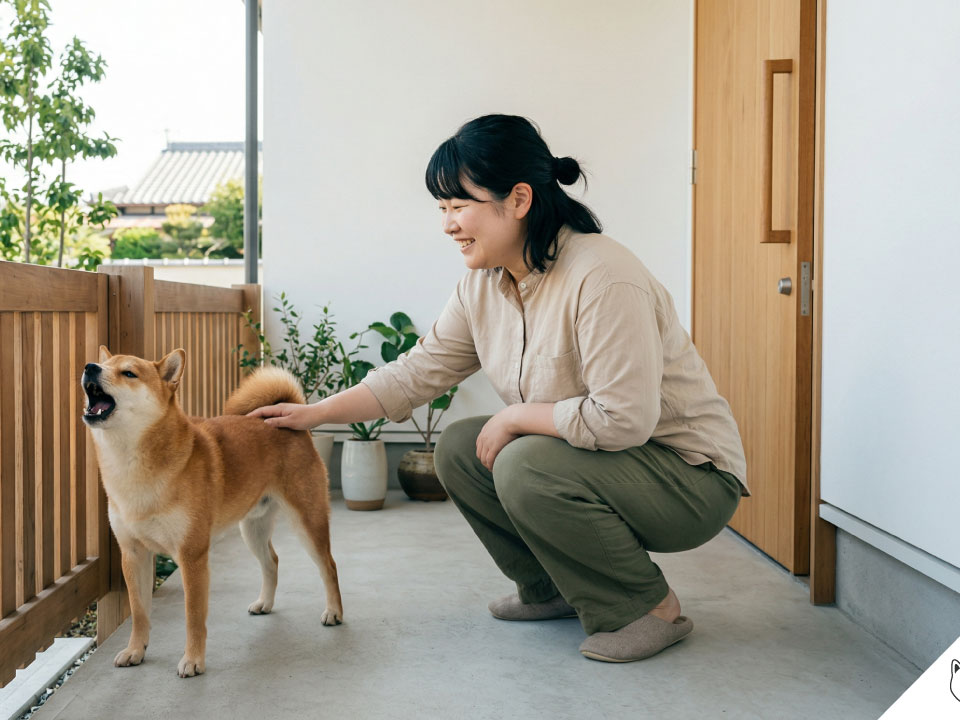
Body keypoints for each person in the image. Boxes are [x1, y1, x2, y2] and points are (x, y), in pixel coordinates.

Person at [248, 114, 748, 663]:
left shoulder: (603, 276)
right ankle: (550, 588)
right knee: (462, 448)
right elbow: (416, 372)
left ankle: (650, 608)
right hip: (617, 464)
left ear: (518, 200)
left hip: (689, 478)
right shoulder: (482, 286)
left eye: (459, 206)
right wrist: (313, 415)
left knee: (520, 457)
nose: (448, 225)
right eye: (442, 209)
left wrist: (514, 418)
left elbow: (624, 418)